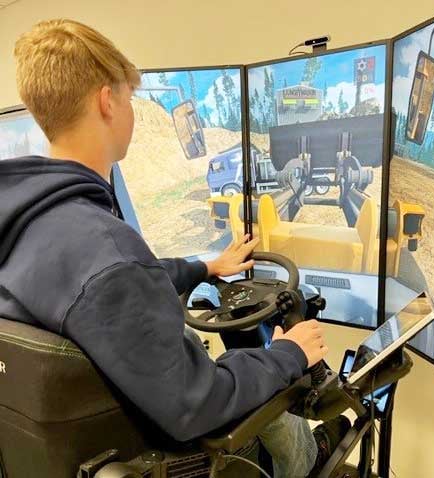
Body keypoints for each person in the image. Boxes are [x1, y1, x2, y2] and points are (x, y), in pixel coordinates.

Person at [0, 19, 348, 477]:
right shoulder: (107, 252)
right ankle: (311, 457)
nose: (131, 112)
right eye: (128, 97)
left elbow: (106, 292)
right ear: (107, 101)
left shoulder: (33, 223)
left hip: (89, 449)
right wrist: (290, 355)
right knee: (257, 373)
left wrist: (207, 266)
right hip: (171, 454)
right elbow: (198, 403)